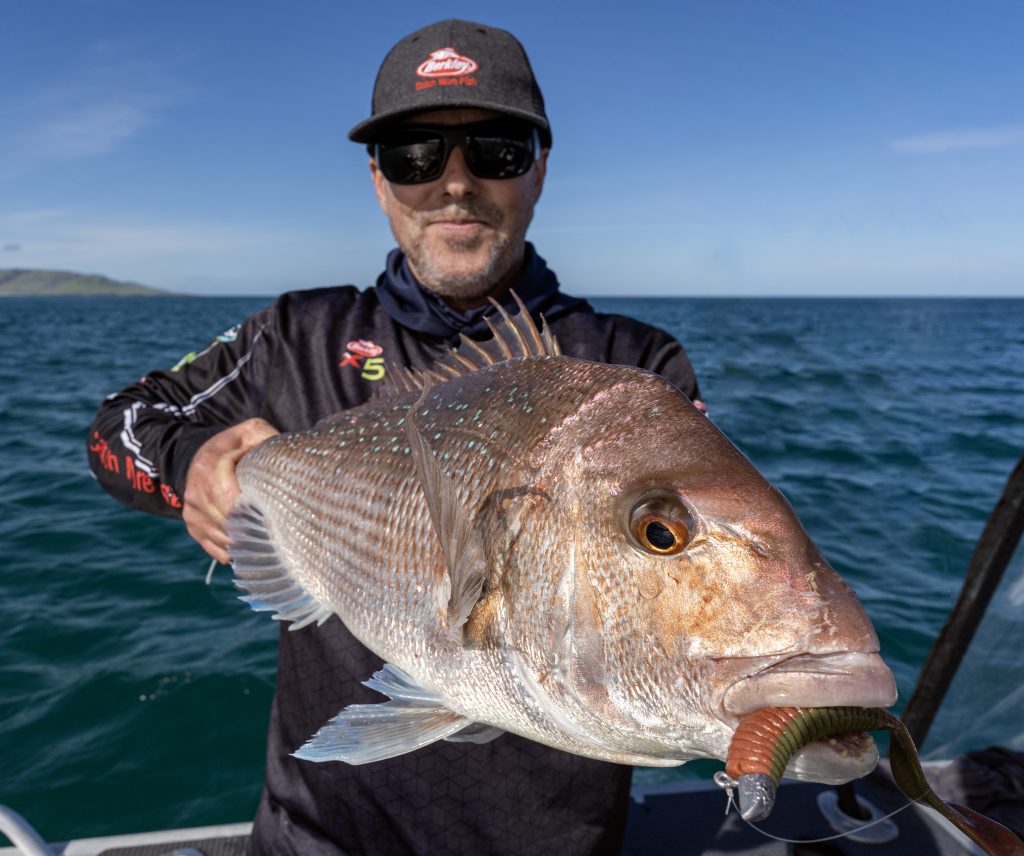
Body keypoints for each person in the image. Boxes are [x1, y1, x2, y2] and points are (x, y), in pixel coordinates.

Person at [88, 19, 703, 856]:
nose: (455, 183)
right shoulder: (298, 335)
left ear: (540, 170)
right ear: (378, 180)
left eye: (495, 150)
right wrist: (192, 462)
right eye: (416, 154)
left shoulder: (633, 368)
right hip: (316, 840)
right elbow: (121, 425)